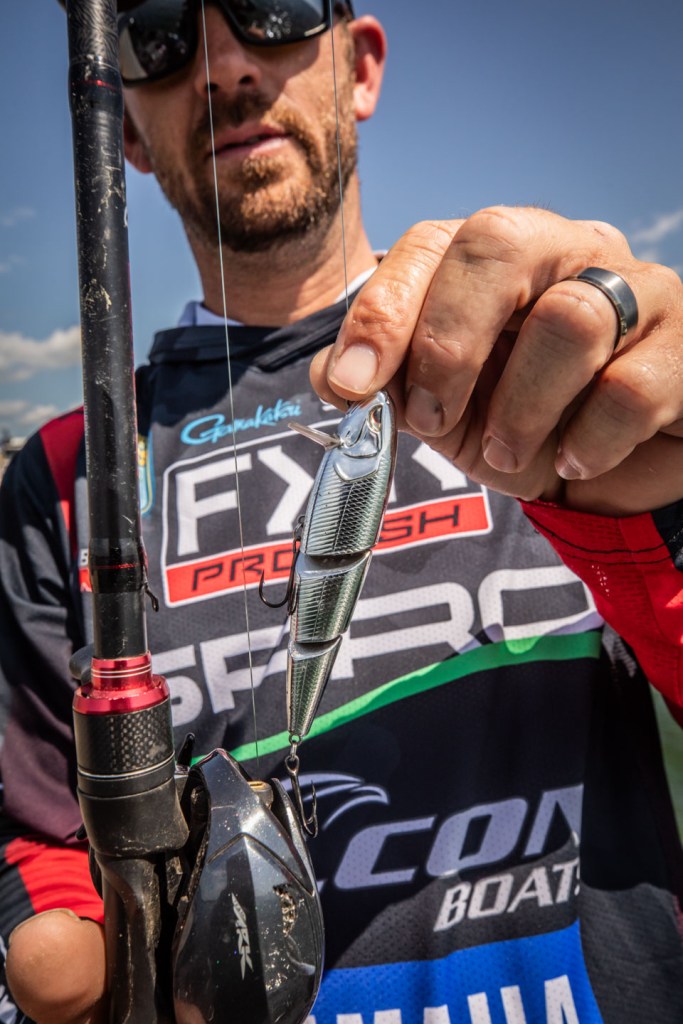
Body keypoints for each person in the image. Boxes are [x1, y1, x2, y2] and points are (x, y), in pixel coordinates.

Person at [2, 1, 683, 1022]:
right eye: (158, 34)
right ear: (127, 134)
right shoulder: (63, 469)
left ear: (360, 65)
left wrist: (665, 504)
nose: (223, 65)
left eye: (271, 7)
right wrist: (68, 928)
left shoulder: (551, 370)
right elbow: (40, 836)